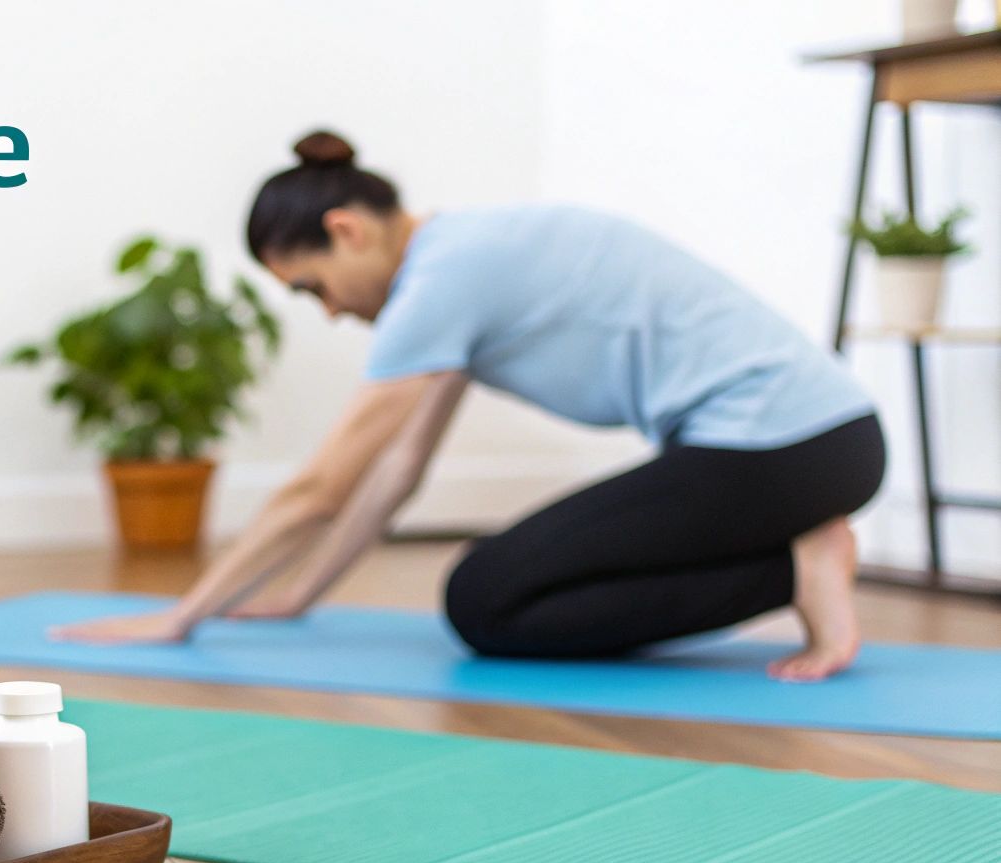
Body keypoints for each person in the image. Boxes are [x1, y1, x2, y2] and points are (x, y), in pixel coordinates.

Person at [53, 130, 886, 682]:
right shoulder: (463, 260)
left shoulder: (442, 280)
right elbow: (398, 468)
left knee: (486, 602)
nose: (331, 311)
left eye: (313, 288)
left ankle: (796, 565)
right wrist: (302, 593)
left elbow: (321, 489)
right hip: (811, 444)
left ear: (346, 231)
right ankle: (796, 555)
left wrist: (182, 617)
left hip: (785, 446)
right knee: (495, 598)